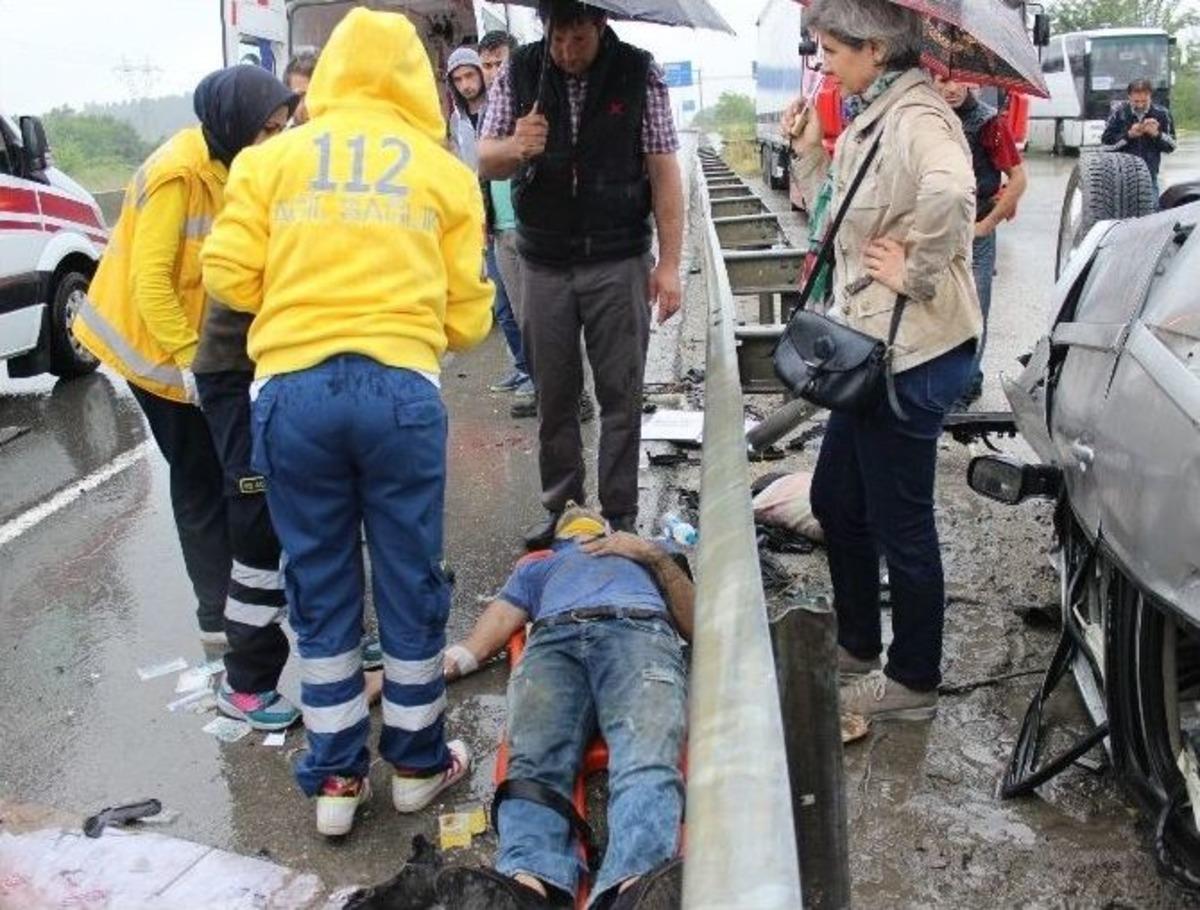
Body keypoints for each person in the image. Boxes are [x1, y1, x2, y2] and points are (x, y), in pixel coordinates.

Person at [201, 8, 494, 836]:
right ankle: (414, 763)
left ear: (328, 74)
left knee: (319, 582)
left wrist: (299, 299)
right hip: (398, 391)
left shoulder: (274, 159)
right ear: (414, 78)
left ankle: (334, 782)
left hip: (292, 393)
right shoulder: (441, 173)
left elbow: (226, 271)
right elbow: (471, 320)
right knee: (408, 574)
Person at [784, 0, 980, 721]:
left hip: (914, 352)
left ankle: (913, 683)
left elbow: (956, 191)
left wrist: (918, 270)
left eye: (831, 50)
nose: (824, 65)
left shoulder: (918, 115)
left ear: (873, 48)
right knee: (837, 498)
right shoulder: (876, 109)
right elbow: (835, 217)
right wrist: (807, 150)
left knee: (903, 523)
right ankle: (860, 642)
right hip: (875, 348)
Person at [74, 66, 295, 645]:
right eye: (266, 129)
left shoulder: (238, 160)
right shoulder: (177, 172)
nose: (274, 139)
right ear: (234, 121)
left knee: (236, 472)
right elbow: (152, 283)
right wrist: (191, 363)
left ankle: (247, 596)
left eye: (280, 127)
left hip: (204, 348)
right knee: (199, 475)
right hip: (154, 349)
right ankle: (215, 614)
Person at [479, 0, 685, 548]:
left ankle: (620, 514)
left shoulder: (640, 73)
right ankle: (562, 506)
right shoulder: (521, 71)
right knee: (555, 394)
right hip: (543, 261)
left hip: (618, 259)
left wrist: (668, 265)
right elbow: (485, 157)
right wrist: (515, 146)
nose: (566, 52)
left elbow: (665, 172)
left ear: (600, 25)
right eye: (557, 38)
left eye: (578, 38)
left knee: (621, 393)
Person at [436, 504, 691, 910]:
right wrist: (444, 666)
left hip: (638, 631)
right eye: (569, 511)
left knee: (646, 755)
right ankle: (528, 887)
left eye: (587, 507)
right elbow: (494, 626)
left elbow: (696, 624)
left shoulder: (646, 554)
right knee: (534, 761)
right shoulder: (540, 566)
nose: (577, 507)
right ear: (556, 534)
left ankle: (635, 886)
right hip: (556, 642)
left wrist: (653, 555)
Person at [934, 77, 1027, 407]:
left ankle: (963, 390)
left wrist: (987, 225)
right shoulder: (930, 119)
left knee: (974, 312)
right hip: (939, 231)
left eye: (958, 80)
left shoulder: (990, 123)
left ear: (971, 83)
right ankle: (959, 382)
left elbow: (1018, 180)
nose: (951, 88)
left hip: (976, 231)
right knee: (939, 311)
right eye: (943, 80)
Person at [478, 30, 536, 406]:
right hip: (500, 228)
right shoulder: (488, 113)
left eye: (500, 62)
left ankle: (554, 387)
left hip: (531, 227)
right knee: (512, 310)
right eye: (487, 65)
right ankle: (531, 375)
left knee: (541, 314)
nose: (493, 71)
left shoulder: (531, 104)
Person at [1101, 77, 1176, 200]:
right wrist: (1129, 135)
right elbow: (1106, 145)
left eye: (1143, 101)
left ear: (1150, 96)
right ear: (1129, 96)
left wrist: (1156, 134)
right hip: (1122, 175)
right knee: (1123, 214)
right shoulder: (1119, 113)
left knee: (1152, 211)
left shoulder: (1162, 113)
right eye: (1136, 101)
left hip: (1149, 174)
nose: (1140, 105)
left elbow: (1172, 146)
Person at [284, 47, 319, 126]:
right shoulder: (279, 137)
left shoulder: (348, 135)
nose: (308, 106)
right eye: (300, 96)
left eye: (314, 95)